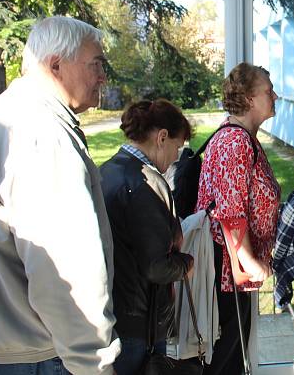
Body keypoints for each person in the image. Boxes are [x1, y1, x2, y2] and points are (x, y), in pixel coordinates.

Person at [0, 16, 120, 374]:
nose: (103, 76)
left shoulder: (12, 113)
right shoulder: (40, 130)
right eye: (96, 64)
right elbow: (64, 264)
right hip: (45, 352)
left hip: (18, 346)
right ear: (55, 65)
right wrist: (93, 363)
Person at [195, 63, 280, 375]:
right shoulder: (236, 142)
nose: (275, 96)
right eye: (268, 91)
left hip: (232, 265)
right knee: (226, 360)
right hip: (228, 267)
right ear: (248, 99)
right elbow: (230, 214)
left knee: (231, 355)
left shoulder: (243, 138)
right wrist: (249, 263)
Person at [101, 99, 195, 375]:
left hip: (113, 314)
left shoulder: (106, 170)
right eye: (177, 147)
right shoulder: (145, 183)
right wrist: (186, 264)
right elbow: (156, 266)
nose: (177, 157)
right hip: (139, 326)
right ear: (162, 137)